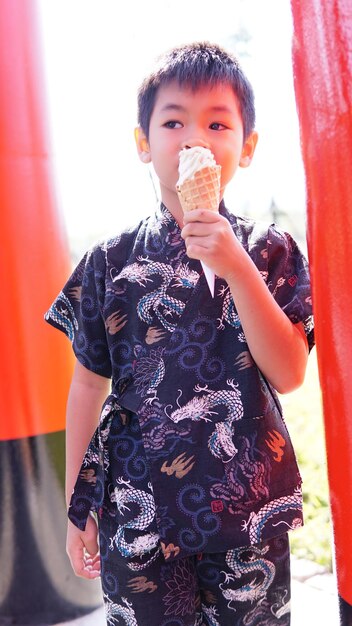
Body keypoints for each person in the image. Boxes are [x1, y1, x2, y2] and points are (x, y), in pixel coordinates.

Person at [45, 42, 314, 626]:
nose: (194, 137)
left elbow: (290, 374)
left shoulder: (271, 251)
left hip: (247, 511)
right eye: (173, 121)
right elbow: (87, 389)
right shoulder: (107, 264)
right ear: (143, 143)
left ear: (246, 147)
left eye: (218, 122)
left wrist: (238, 267)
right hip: (139, 513)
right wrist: (77, 504)